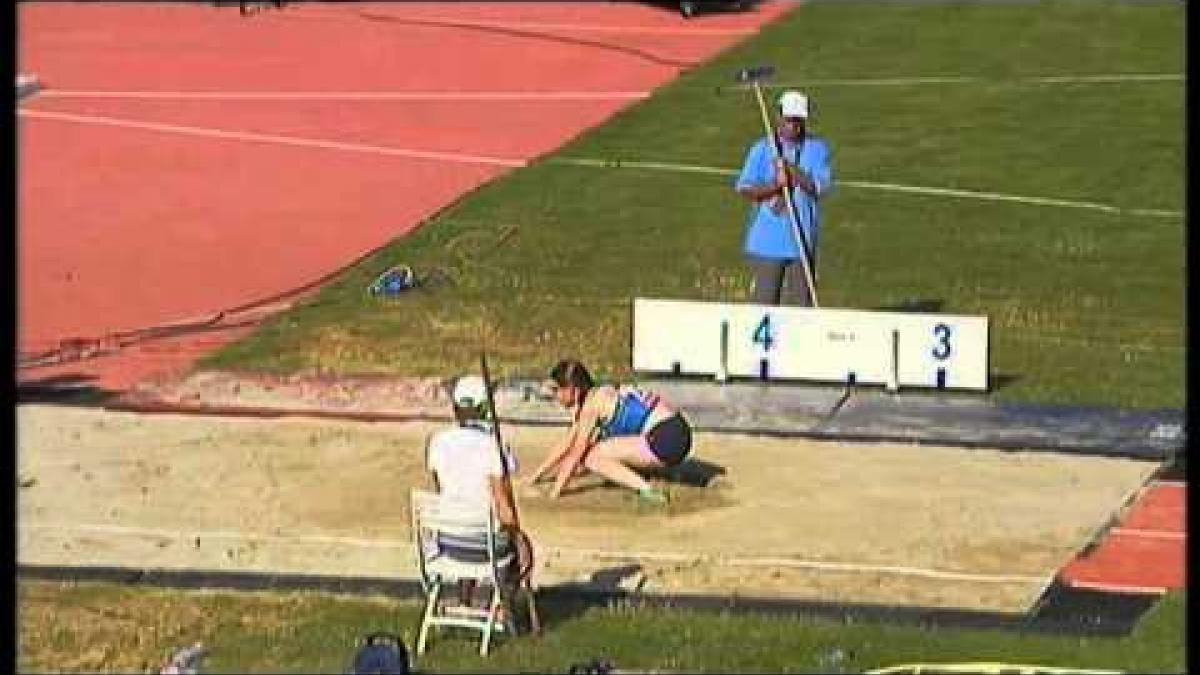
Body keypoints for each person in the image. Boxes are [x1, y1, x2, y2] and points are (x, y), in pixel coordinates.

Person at [424, 375, 532, 608]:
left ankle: (465, 600)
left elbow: (443, 489)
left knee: (465, 521)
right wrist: (520, 539)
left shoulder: (437, 442)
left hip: (448, 542)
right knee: (516, 548)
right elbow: (503, 506)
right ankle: (504, 610)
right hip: (481, 545)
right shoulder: (493, 446)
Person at [526, 359, 692, 505]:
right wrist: (537, 476)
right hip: (679, 430)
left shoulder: (591, 407)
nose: (556, 396)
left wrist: (554, 494)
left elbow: (575, 455)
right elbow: (568, 442)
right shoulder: (601, 393)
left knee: (591, 457)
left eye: (558, 390)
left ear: (574, 391)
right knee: (604, 448)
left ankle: (648, 490)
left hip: (667, 438)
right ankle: (668, 472)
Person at [734, 89, 833, 307]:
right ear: (778, 117)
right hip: (767, 242)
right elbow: (745, 188)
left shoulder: (817, 149)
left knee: (802, 308)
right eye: (789, 120)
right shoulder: (761, 149)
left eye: (799, 120)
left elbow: (819, 188)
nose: (794, 125)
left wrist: (791, 170)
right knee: (764, 306)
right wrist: (774, 186)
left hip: (802, 240)